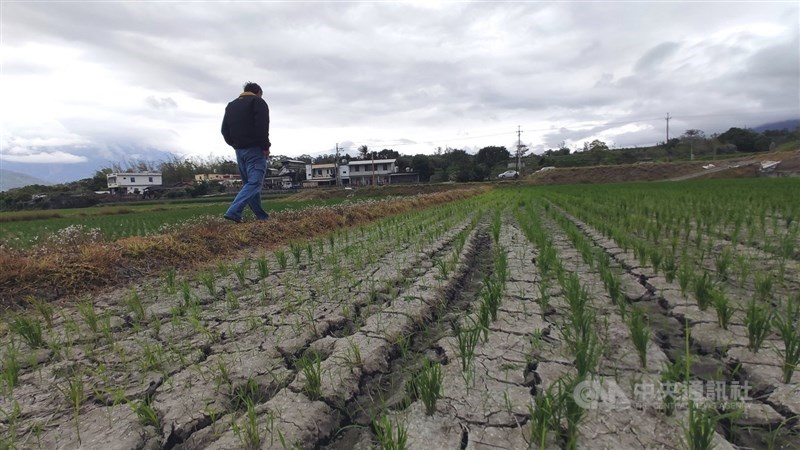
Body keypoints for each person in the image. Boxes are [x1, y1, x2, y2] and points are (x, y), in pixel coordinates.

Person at [221, 81, 271, 223]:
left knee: (249, 184)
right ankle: (233, 212)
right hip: (254, 150)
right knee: (255, 183)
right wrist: (265, 146)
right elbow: (262, 126)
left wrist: (235, 144)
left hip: (239, 151)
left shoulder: (231, 105)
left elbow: (224, 130)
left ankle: (262, 216)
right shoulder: (258, 102)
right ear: (259, 93)